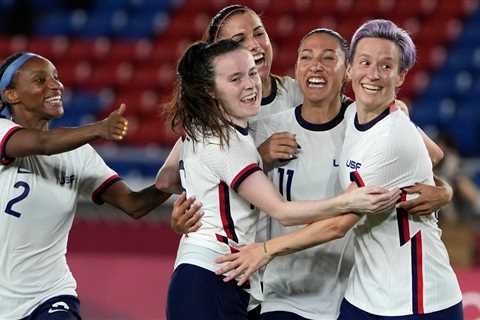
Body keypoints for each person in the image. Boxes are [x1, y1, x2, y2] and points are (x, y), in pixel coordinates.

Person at [213, 26, 450, 320]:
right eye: (306, 57)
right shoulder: (273, 129)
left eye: (328, 58)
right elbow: (211, 176)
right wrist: (258, 158)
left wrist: (442, 190)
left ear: (345, 70)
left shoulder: (375, 123)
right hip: (290, 296)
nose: (316, 66)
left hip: (366, 292)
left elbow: (428, 156)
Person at [164, 39, 400, 320]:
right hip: (211, 273)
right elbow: (282, 212)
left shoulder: (212, 126)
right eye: (235, 79)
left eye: (252, 73)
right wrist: (350, 200)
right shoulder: (224, 141)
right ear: (208, 89)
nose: (250, 84)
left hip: (224, 274)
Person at [0, 52, 176, 319]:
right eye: (40, 80)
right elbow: (42, 144)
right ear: (11, 95)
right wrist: (100, 129)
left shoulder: (78, 155)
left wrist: (176, 179)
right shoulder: (2, 131)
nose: (55, 85)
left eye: (56, 78)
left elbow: (133, 205)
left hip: (50, 295)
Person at [336, 19, 463, 319]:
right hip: (364, 292)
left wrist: (266, 249)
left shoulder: (391, 134)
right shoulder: (355, 112)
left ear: (401, 75)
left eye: (386, 66)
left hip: (417, 300)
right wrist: (441, 187)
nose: (373, 74)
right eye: (365, 62)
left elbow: (337, 224)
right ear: (350, 68)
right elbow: (436, 154)